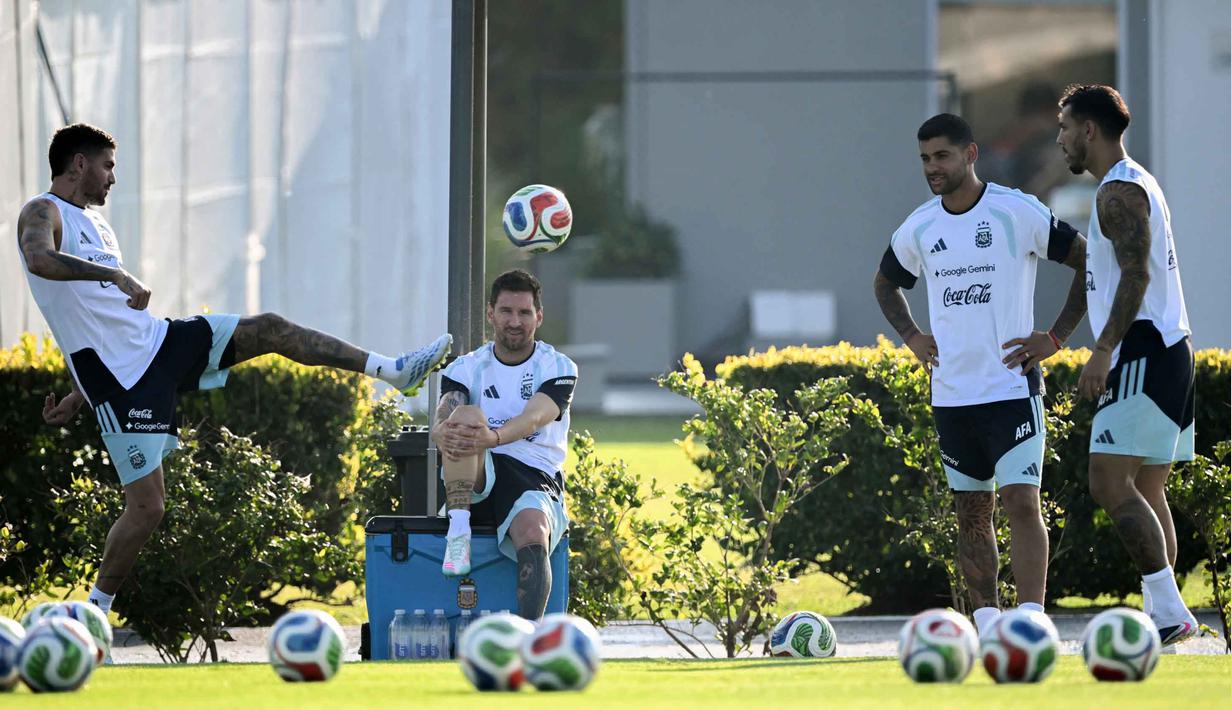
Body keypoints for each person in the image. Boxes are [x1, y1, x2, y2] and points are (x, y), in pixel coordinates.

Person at [18, 123, 452, 618]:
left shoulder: (100, 226)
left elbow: (95, 319)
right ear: (79, 164)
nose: (112, 178)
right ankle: (93, 614)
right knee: (148, 508)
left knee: (268, 327)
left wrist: (75, 392)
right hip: (121, 384)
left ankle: (393, 370)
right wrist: (113, 279)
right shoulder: (42, 211)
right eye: (108, 166)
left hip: (160, 343)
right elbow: (40, 260)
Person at [873, 113, 1088, 635]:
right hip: (951, 395)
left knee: (1020, 500)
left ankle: (1033, 622)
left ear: (970, 154)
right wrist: (913, 337)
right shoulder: (920, 226)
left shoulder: (1016, 211)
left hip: (1012, 388)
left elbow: (1088, 261)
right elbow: (885, 284)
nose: (932, 168)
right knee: (972, 511)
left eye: (942, 156)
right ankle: (988, 622)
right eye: (925, 159)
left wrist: (1054, 338)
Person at [1057, 84, 1198, 645]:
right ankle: (1168, 613)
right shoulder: (1137, 182)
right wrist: (1059, 335)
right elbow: (1106, 273)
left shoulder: (1117, 191)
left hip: (1143, 348)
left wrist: (1102, 350)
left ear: (1089, 130)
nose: (1061, 138)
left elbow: (1136, 276)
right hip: (1170, 350)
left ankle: (1169, 613)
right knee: (1147, 487)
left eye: (1065, 127)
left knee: (1108, 481)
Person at [430, 269, 576, 621]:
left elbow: (535, 417)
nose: (515, 321)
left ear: (538, 317)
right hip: (476, 473)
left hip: (533, 473)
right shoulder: (466, 367)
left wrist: (493, 437)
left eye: (524, 313)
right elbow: (444, 413)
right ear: (490, 313)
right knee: (462, 417)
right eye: (506, 311)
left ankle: (530, 636)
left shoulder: (557, 366)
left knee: (533, 530)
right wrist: (440, 431)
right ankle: (459, 528)